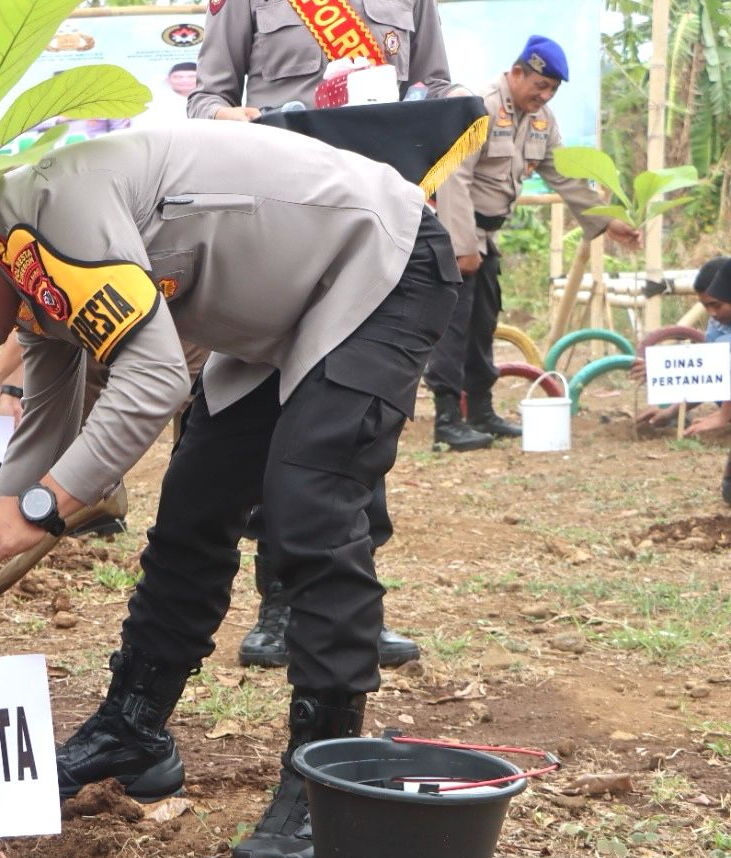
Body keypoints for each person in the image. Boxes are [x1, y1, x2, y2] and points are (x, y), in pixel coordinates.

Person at [0, 121, 461, 858]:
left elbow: (155, 378)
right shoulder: (23, 267)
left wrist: (34, 511)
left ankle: (324, 779)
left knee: (309, 510)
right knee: (193, 510)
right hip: (281, 319)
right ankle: (133, 727)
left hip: (381, 266)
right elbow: (50, 424)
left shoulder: (48, 213)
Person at [187, 0, 446, 669]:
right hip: (283, 229)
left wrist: (441, 109)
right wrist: (236, 119)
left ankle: (352, 602)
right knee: (277, 411)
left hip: (378, 230)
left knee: (361, 413)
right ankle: (280, 605)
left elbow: (436, 86)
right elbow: (206, 99)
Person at [434, 35, 641, 444]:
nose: (544, 96)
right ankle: (445, 421)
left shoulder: (542, 119)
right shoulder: (480, 105)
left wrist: (606, 221)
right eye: (539, 86)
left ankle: (480, 412)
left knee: (483, 323)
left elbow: (563, 175)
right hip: (456, 231)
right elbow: (453, 175)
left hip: (488, 236)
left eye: (552, 90)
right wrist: (461, 247)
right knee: (454, 326)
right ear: (516, 73)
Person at [188, 0, 451, 121]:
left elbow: (429, 88)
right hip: (283, 182)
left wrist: (460, 98)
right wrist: (223, 116)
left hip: (382, 181)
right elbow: (208, 98)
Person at [633, 256, 731, 436]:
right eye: (705, 306)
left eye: (716, 305)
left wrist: (723, 416)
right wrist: (671, 412)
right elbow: (709, 375)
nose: (711, 313)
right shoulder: (716, 326)